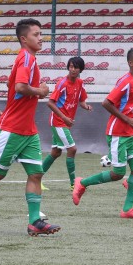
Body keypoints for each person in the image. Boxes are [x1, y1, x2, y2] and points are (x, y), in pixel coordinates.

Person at [0, 19, 59, 236]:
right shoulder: (25, 58)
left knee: (36, 174)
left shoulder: (31, 59)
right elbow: (20, 87)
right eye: (36, 34)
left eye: (42, 33)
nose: (41, 37)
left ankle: (35, 221)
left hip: (28, 129)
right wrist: (40, 91)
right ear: (24, 39)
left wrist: (38, 90)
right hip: (13, 128)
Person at [72, 48, 133, 217]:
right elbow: (107, 103)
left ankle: (127, 210)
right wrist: (127, 120)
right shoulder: (126, 82)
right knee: (118, 174)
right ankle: (82, 183)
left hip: (131, 134)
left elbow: (128, 108)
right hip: (118, 133)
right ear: (130, 63)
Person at [43, 57, 91, 189]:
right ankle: (73, 184)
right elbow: (50, 103)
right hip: (58, 121)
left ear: (81, 69)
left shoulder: (80, 83)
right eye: (70, 66)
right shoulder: (62, 83)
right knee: (72, 149)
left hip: (64, 121)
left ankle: (36, 179)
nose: (73, 69)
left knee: (56, 152)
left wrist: (86, 106)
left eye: (75, 67)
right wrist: (64, 117)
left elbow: (81, 101)